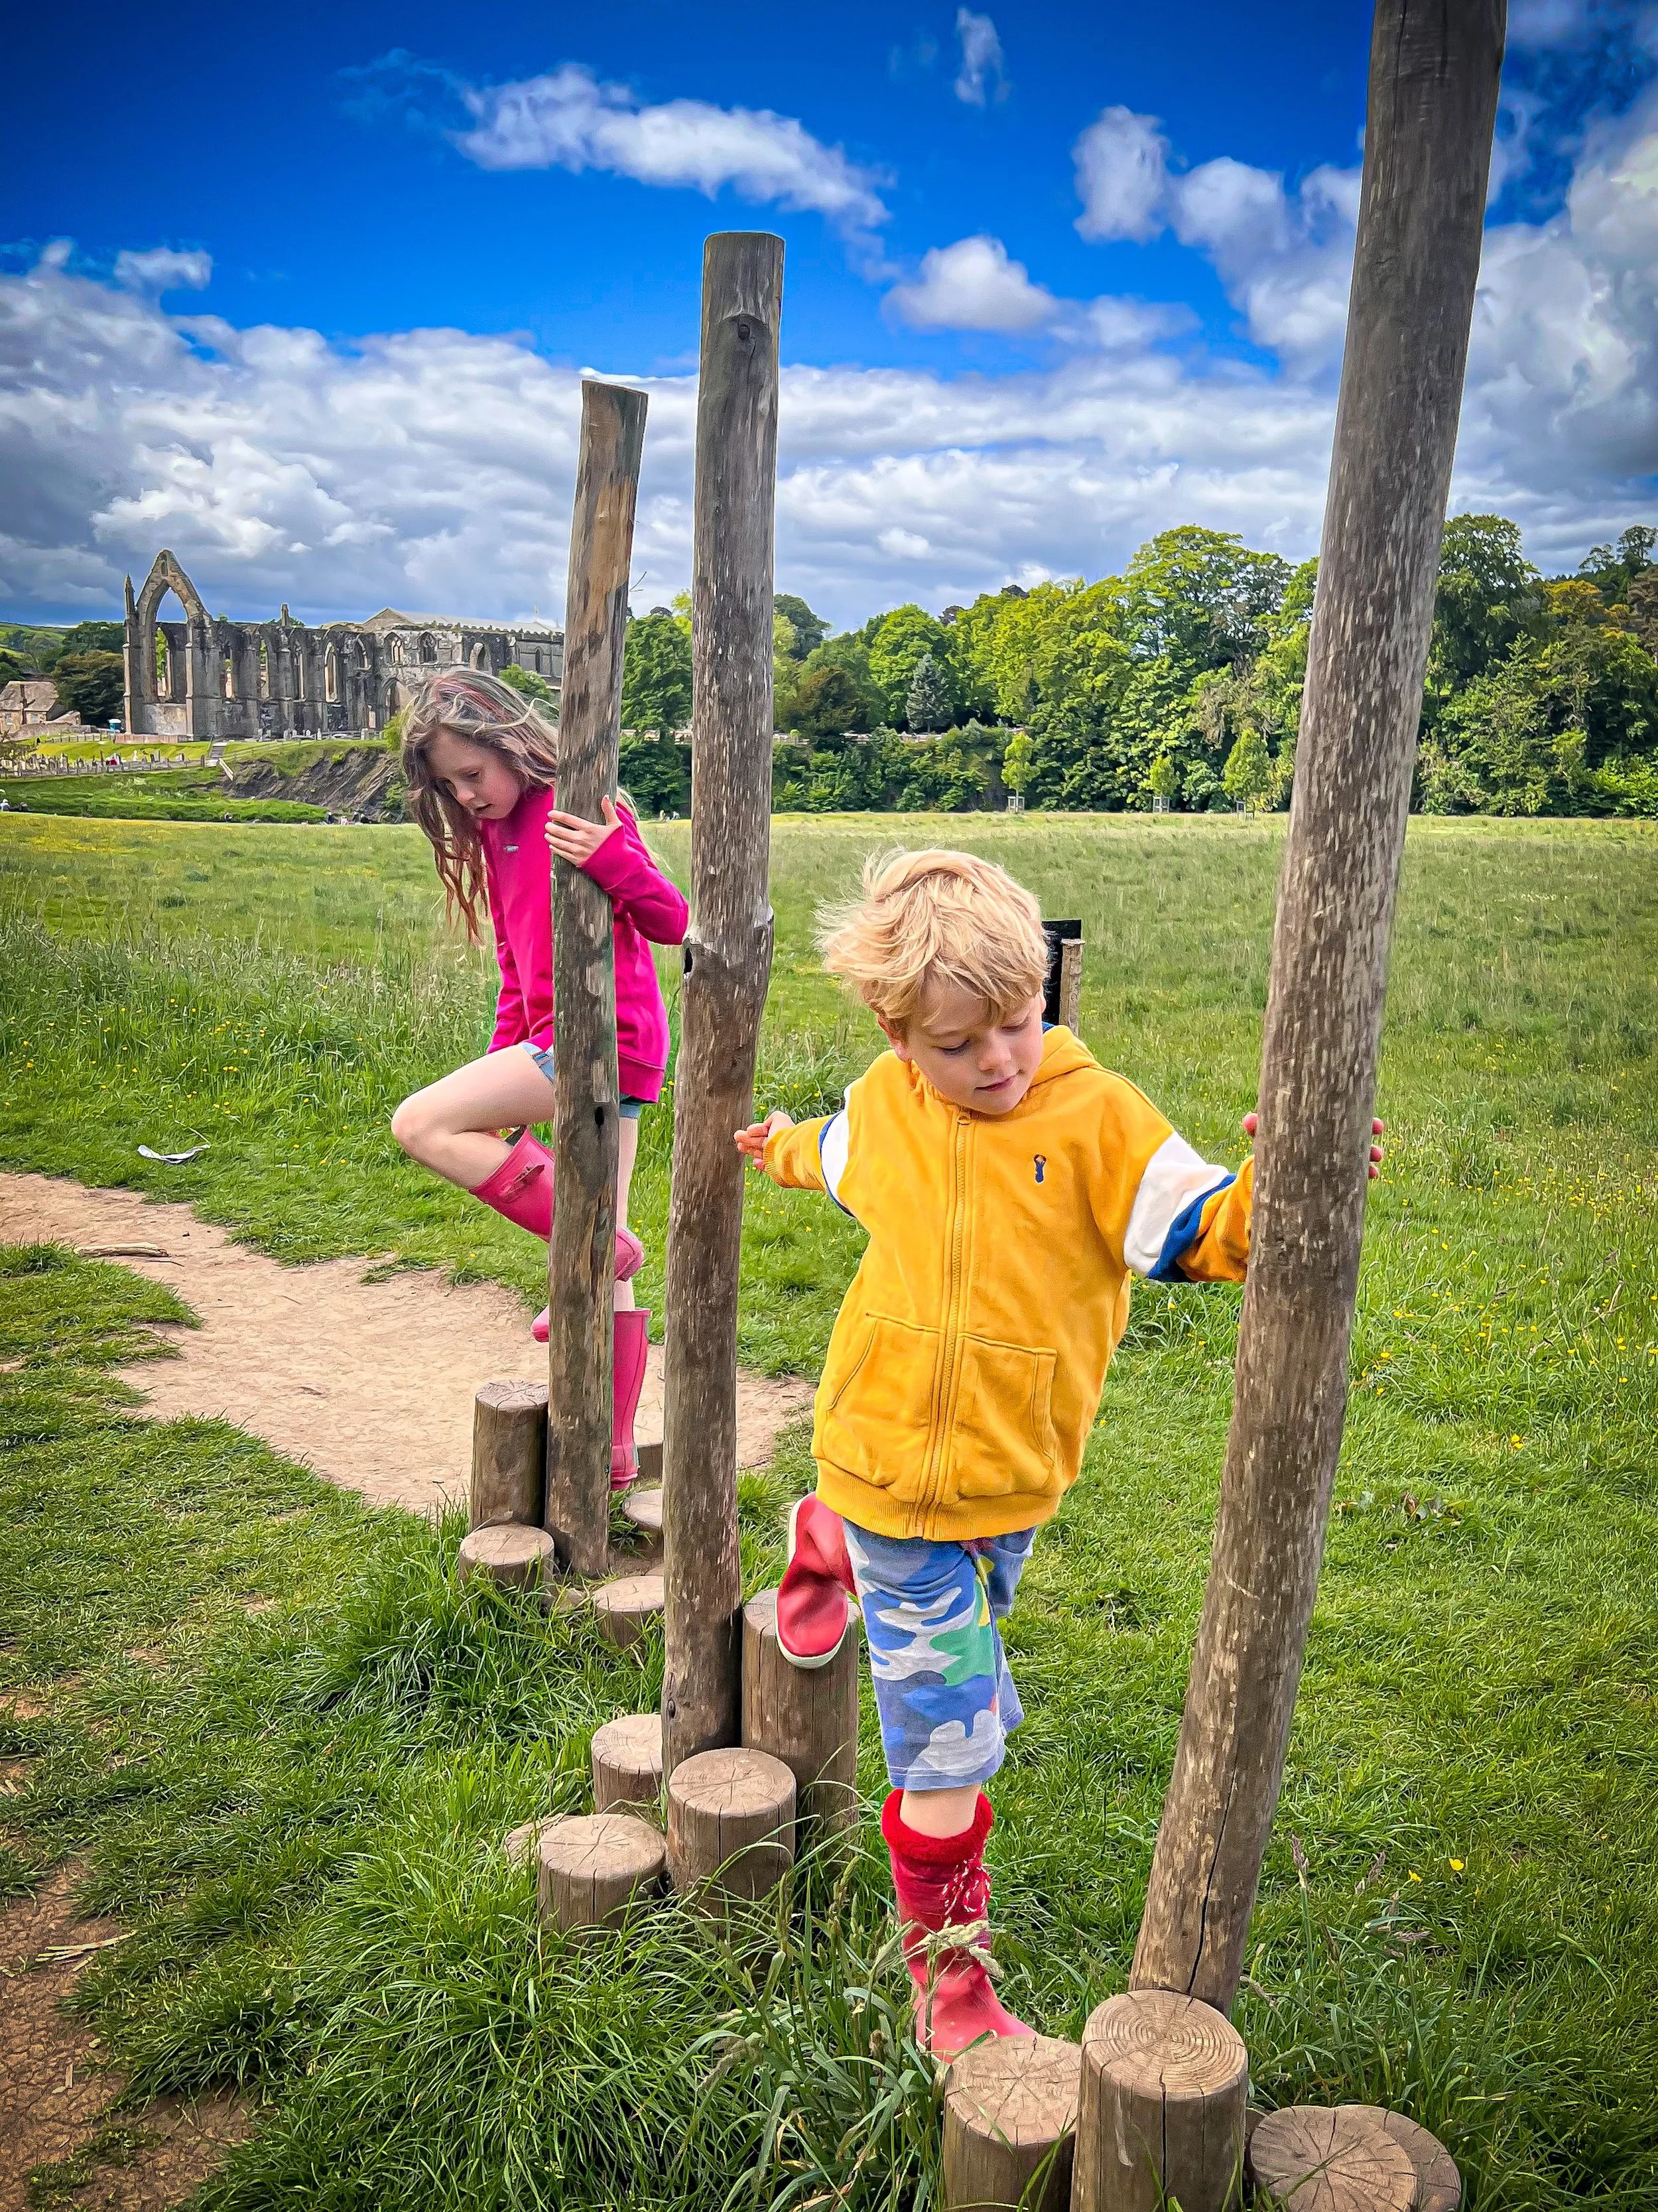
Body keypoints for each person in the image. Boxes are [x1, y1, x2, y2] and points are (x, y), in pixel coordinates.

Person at [735, 848, 1382, 2059]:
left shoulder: (1096, 1116)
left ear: (1045, 994)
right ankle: (947, 1976)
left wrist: (1286, 1187)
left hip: (1009, 1475)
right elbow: (830, 1150)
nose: (996, 1062)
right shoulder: (887, 1102)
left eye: (1019, 1026)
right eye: (957, 1045)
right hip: (879, 1450)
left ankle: (817, 1539)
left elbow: (1195, 1222)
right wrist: (772, 1141)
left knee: (966, 1626)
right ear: (895, 1031)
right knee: (950, 1740)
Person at [393, 669, 688, 1488]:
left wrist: (614, 855)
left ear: (508, 743)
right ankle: (618, 1451)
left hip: (607, 1038)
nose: (466, 794)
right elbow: (518, 971)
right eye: (450, 784)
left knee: (420, 1124)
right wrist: (497, 1063)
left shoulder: (575, 798)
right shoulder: (494, 832)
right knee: (607, 1258)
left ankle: (599, 1242)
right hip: (563, 1041)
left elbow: (669, 919)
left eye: (472, 774)